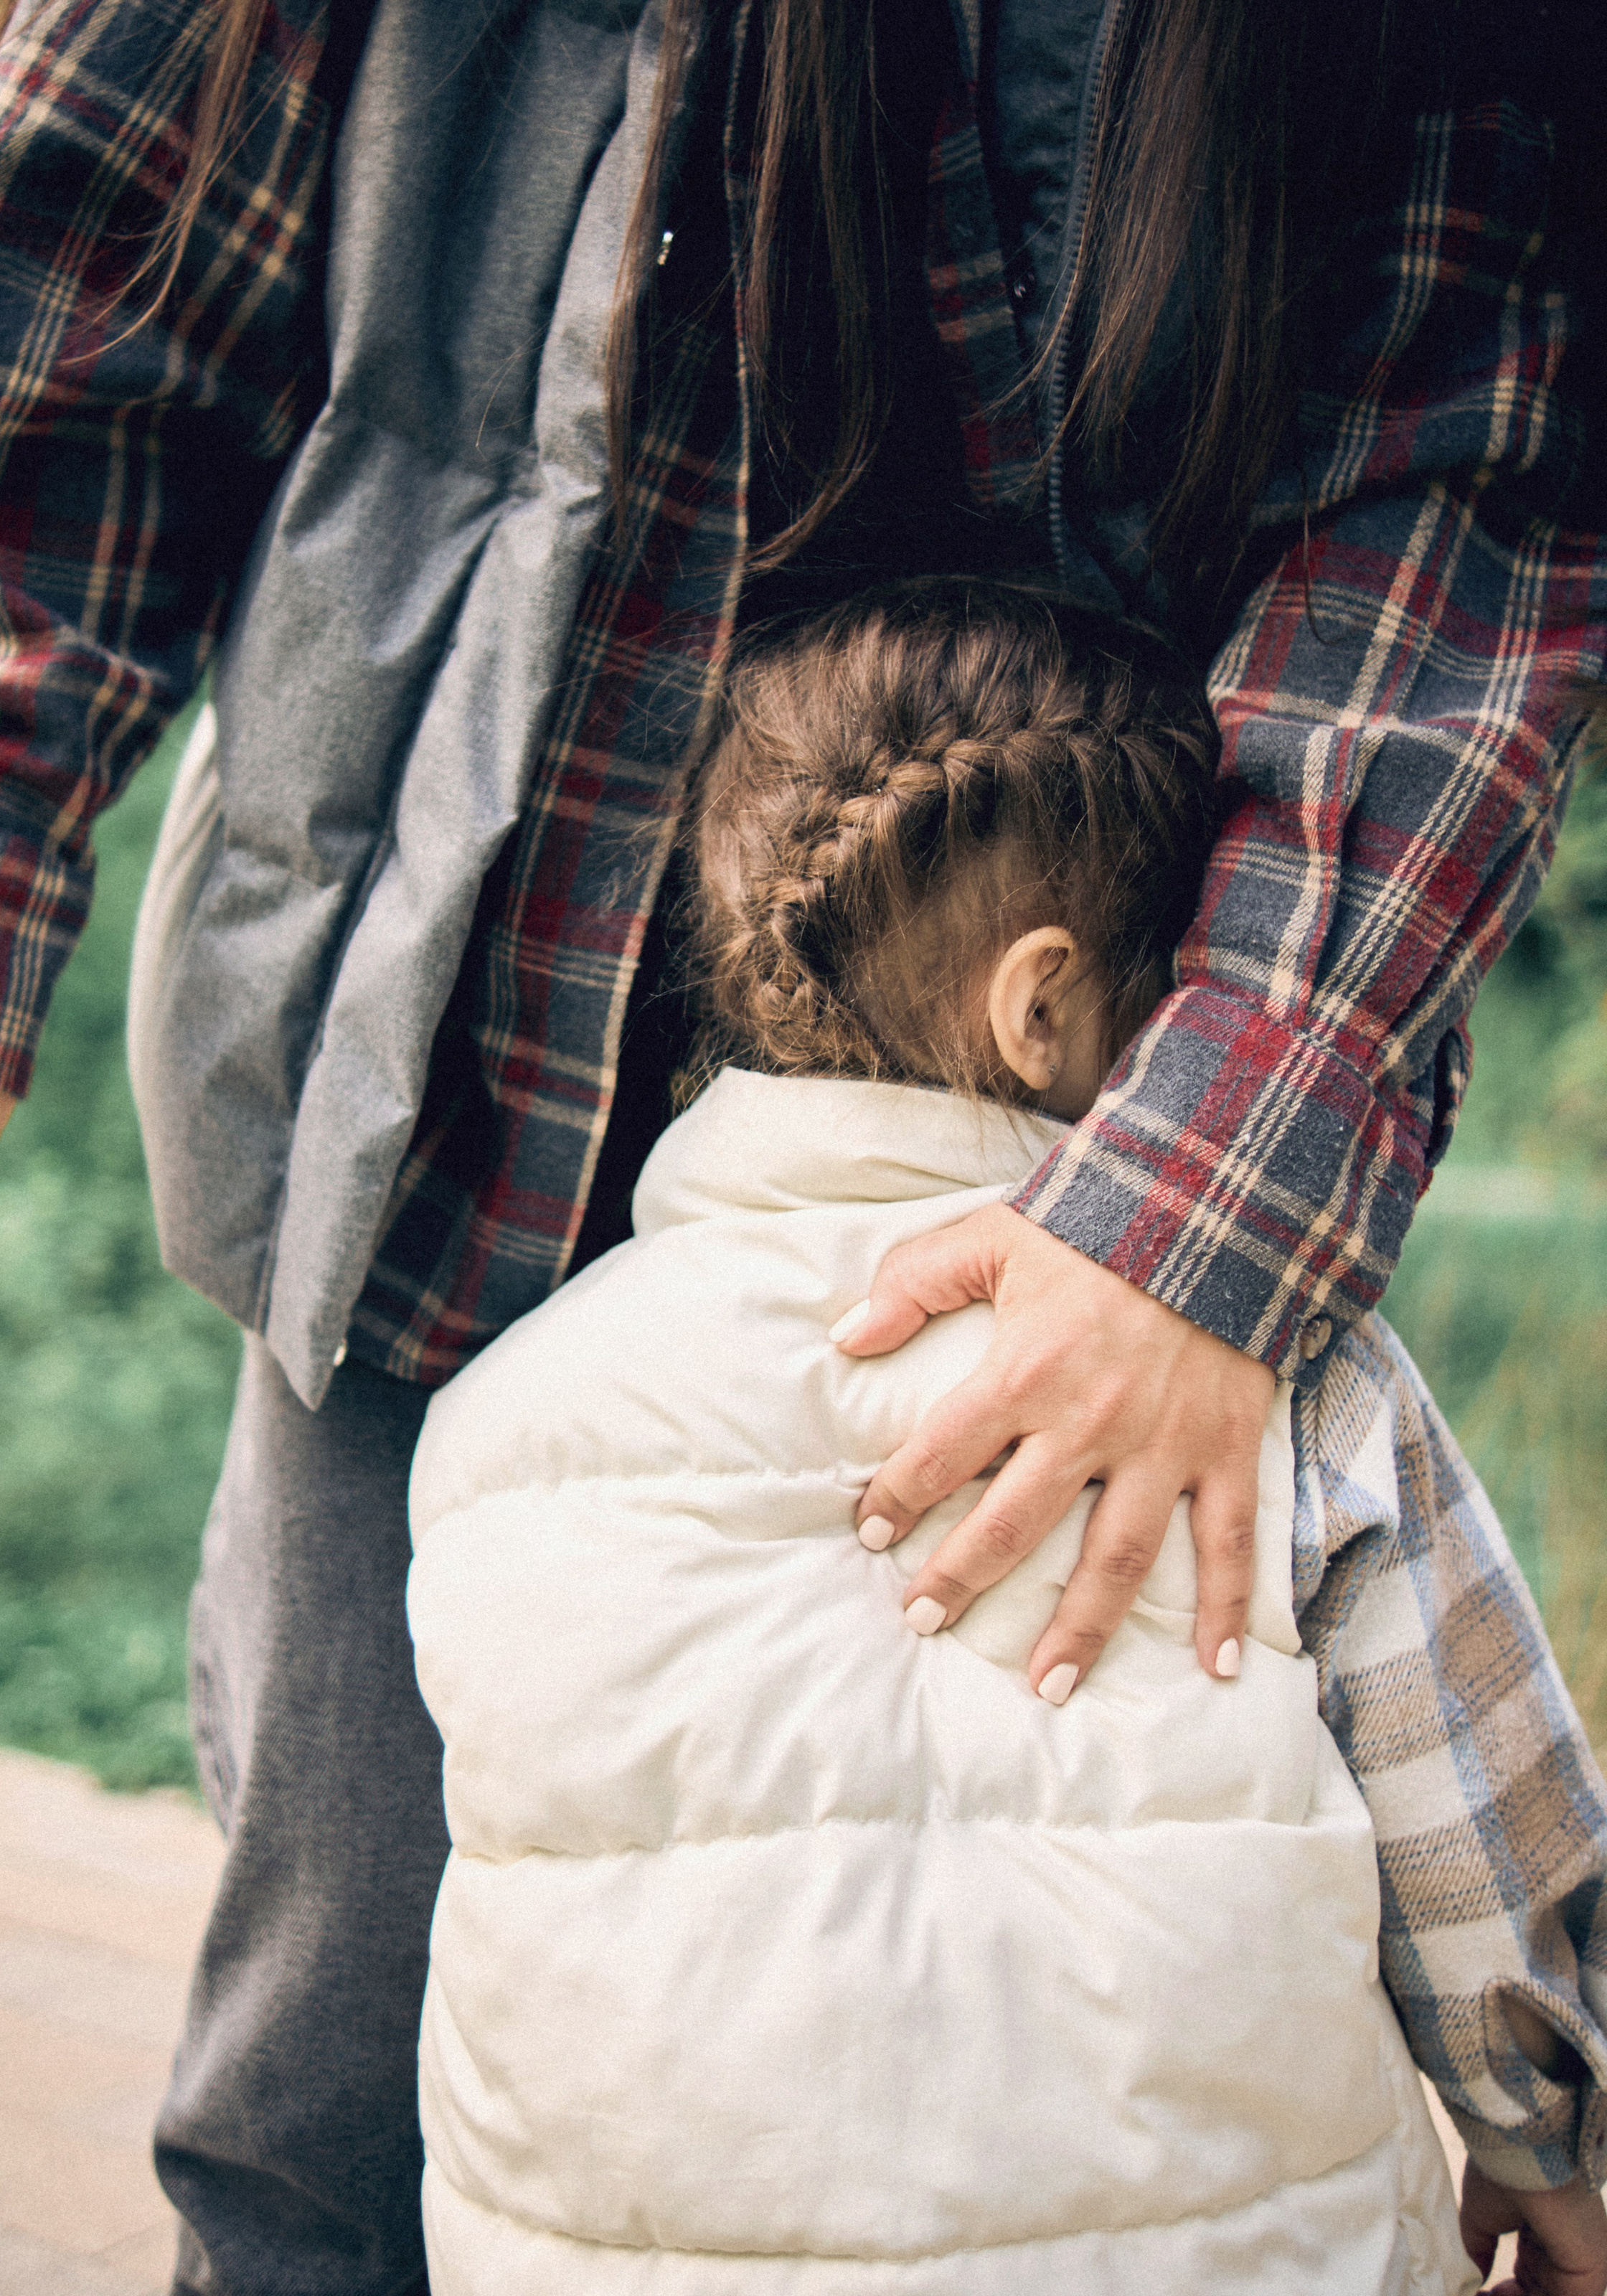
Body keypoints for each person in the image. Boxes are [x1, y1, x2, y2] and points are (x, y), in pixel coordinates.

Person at [0, 0, 1605, 2287]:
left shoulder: (538, 1446)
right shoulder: (1358, 1440)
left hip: (1150, 1152)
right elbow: (122, 212)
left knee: (308, 2148)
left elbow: (1473, 482)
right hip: (450, 1091)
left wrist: (1203, 1204)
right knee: (312, 2105)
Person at [406, 580, 1607, 2295]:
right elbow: (1474, 1824)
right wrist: (1545, 2142)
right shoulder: (1278, 1374)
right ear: (1042, 1010)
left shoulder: (498, 1419)